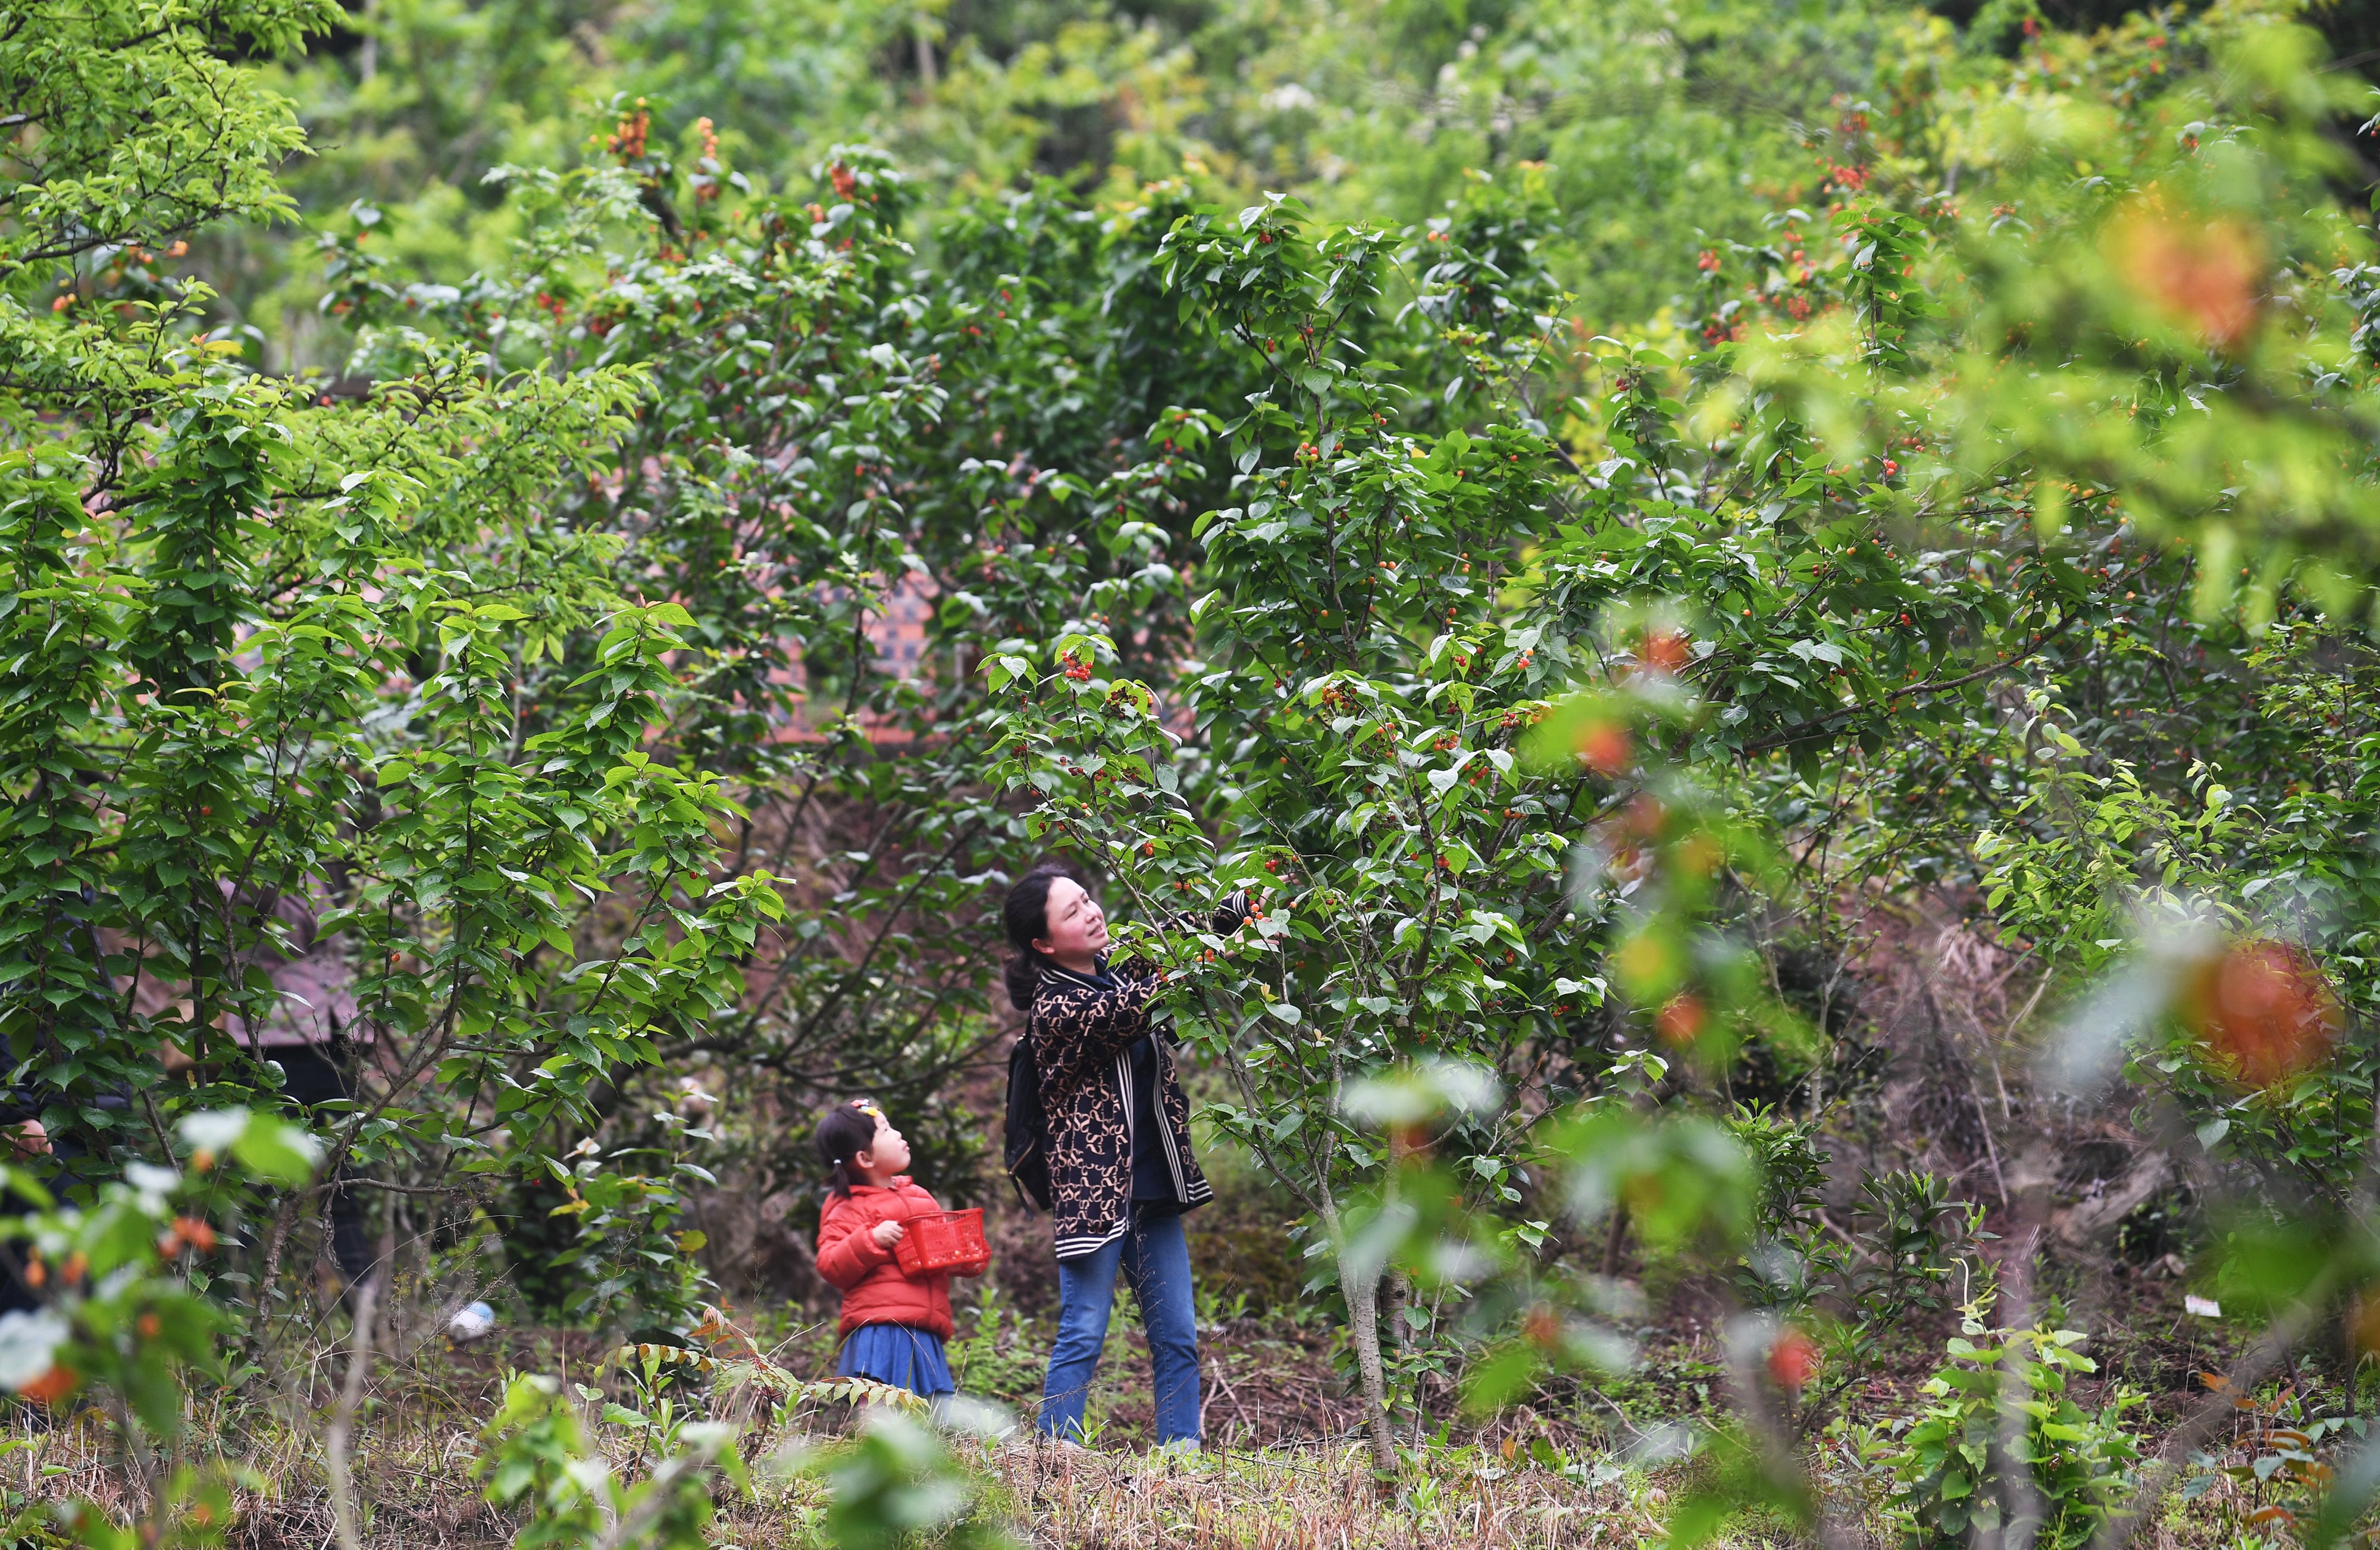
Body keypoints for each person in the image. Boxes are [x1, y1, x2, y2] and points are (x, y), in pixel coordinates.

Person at [1004, 862, 1246, 1451]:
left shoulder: (1116, 971)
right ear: (1044, 943)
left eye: (1087, 899)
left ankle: (1181, 1457)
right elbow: (1142, 1002)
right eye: (1071, 911)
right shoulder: (1057, 1010)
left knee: (1177, 1335)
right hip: (1093, 1194)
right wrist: (1213, 950)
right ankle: (1056, 1453)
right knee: (1083, 1331)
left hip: (1153, 1184)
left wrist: (1238, 908)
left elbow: (1172, 942)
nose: (1090, 911)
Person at [813, 1099, 985, 1402]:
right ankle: (868, 1447)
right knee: (878, 1402)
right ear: (865, 1158)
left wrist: (966, 1258)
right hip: (880, 1326)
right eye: (886, 1129)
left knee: (933, 1407)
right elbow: (830, 1264)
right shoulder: (846, 1206)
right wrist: (871, 1240)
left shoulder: (919, 1196)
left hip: (923, 1323)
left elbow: (940, 1249)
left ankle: (933, 1451)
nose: (898, 1134)